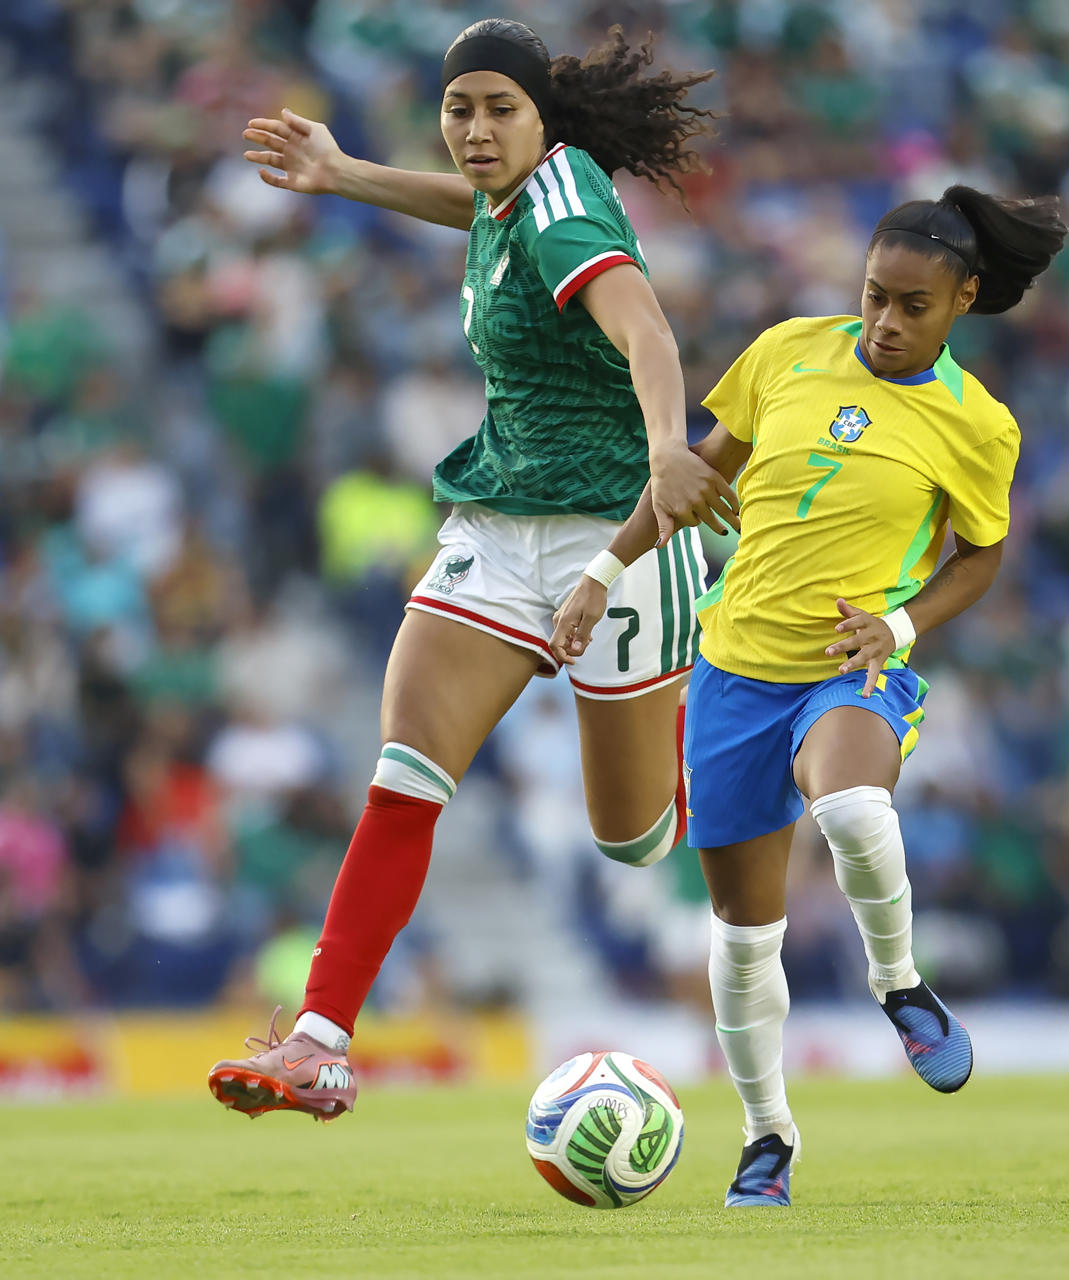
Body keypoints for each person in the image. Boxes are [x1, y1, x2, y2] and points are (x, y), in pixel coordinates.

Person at [208, 20, 738, 1122]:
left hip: (620, 531)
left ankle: (730, 696)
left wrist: (664, 448)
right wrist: (347, 172)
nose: (478, 129)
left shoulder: (567, 198)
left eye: (501, 108)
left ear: (544, 120)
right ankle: (318, 1039)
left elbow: (644, 328)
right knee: (405, 770)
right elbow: (484, 216)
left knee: (632, 837)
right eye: (461, 110)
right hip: (497, 525)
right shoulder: (515, 204)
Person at [552, 187, 1067, 1205]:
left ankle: (898, 983)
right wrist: (601, 574)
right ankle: (767, 1136)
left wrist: (903, 625)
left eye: (913, 305)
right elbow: (696, 471)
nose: (884, 320)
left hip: (853, 663)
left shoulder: (978, 425)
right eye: (874, 294)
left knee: (851, 806)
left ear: (962, 298)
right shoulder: (788, 349)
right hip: (733, 670)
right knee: (745, 939)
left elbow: (982, 557)